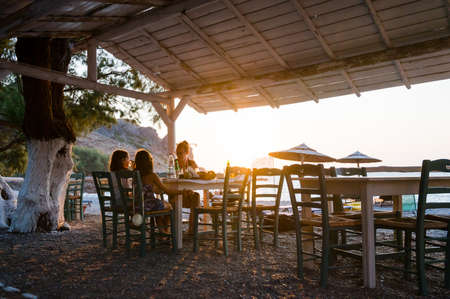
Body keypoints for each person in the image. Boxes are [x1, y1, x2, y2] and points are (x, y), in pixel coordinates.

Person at [175, 141, 201, 233]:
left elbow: (196, 178)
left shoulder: (192, 163)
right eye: (177, 153)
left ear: (187, 153)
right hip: (176, 194)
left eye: (180, 153)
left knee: (196, 196)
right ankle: (176, 229)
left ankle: (192, 229)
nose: (178, 155)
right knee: (194, 196)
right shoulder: (175, 164)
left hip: (188, 194)